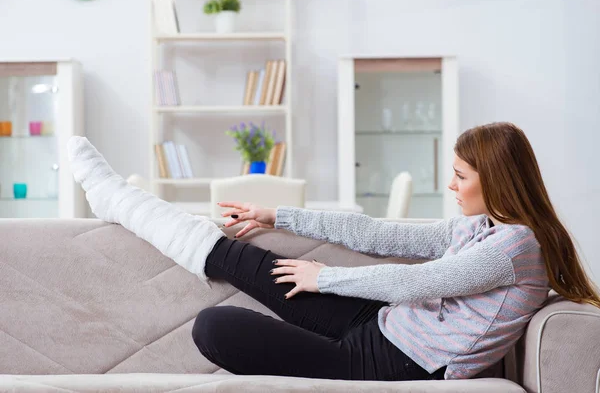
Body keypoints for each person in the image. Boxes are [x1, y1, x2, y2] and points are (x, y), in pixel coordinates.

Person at [67, 122, 600, 381]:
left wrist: (323, 278)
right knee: (246, 257)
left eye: (461, 175)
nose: (452, 184)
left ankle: (116, 200)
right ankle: (117, 200)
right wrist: (277, 215)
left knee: (213, 327)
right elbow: (384, 235)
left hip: (400, 365)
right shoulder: (485, 226)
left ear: (499, 180)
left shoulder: (516, 247)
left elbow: (414, 283)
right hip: (387, 324)